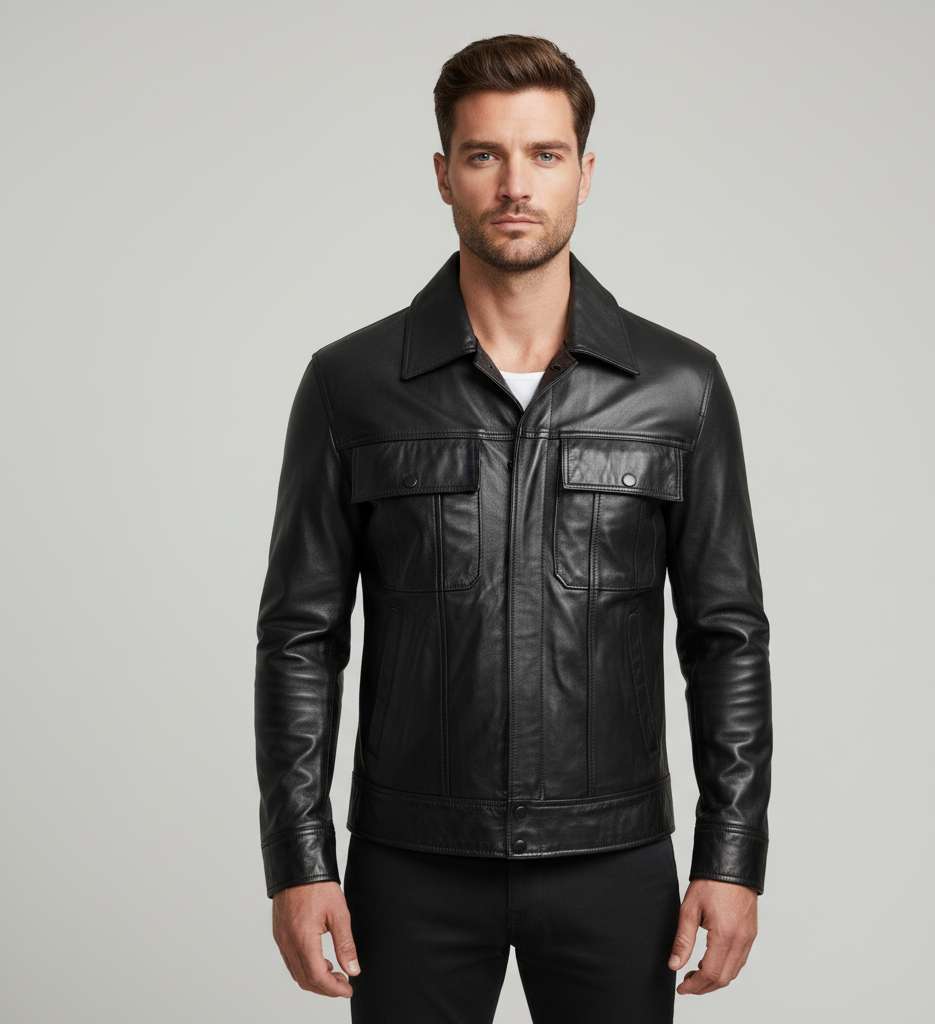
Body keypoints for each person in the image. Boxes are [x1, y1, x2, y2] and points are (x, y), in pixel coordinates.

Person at [254, 33, 773, 1023]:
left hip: (615, 862)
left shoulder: (678, 388)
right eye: (485, 154)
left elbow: (728, 638)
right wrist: (299, 859)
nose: (515, 186)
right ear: (442, 173)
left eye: (544, 154)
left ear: (585, 171)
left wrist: (732, 854)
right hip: (409, 864)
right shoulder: (350, 385)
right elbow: (299, 639)